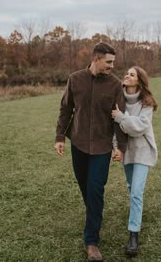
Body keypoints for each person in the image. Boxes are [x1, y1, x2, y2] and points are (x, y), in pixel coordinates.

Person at [54, 42, 127, 262]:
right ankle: (94, 214)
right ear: (96, 59)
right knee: (86, 187)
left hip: (102, 147)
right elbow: (66, 108)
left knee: (95, 189)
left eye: (113, 62)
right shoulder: (75, 79)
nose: (112, 66)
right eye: (109, 62)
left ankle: (92, 241)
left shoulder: (115, 85)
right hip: (78, 144)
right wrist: (59, 138)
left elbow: (119, 118)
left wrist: (120, 146)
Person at [111, 66, 158, 257]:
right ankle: (135, 214)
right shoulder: (118, 100)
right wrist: (117, 147)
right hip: (127, 152)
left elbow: (139, 127)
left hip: (143, 151)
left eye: (132, 74)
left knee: (137, 192)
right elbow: (115, 129)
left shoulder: (146, 103)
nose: (127, 76)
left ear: (139, 81)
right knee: (132, 188)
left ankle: (133, 235)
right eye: (127, 73)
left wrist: (121, 117)